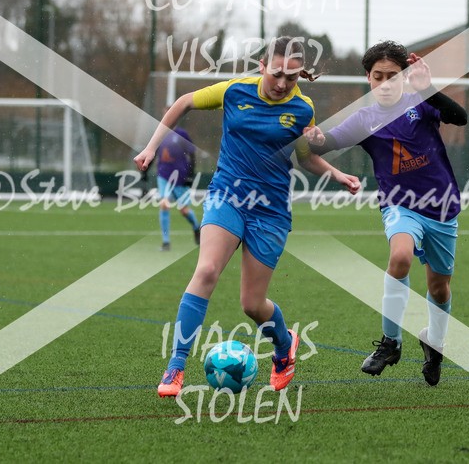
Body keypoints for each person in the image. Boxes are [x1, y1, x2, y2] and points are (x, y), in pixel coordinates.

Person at [134, 36, 361, 398]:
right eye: (276, 74)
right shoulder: (235, 90)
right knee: (206, 271)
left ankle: (284, 347)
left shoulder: (303, 109)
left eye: (291, 77)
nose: (283, 83)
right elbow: (183, 102)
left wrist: (335, 173)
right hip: (227, 196)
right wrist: (150, 147)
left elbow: (303, 156)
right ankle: (175, 367)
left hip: (271, 211)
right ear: (261, 66)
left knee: (252, 305)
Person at [304, 40, 468, 386]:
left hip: (441, 209)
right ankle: (390, 342)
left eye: (393, 76)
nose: (386, 82)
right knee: (401, 257)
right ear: (368, 78)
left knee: (439, 289)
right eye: (378, 76)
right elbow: (327, 143)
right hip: (400, 205)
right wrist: (315, 137)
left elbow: (460, 117)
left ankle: (434, 342)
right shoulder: (365, 119)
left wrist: (429, 89)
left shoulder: (421, 104)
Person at [155, 125, 201, 251]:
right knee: (164, 204)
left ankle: (197, 227)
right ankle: (166, 242)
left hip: (180, 176)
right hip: (163, 175)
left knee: (184, 211)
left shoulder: (182, 134)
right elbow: (153, 152)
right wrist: (145, 170)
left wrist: (191, 174)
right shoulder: (160, 133)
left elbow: (192, 153)